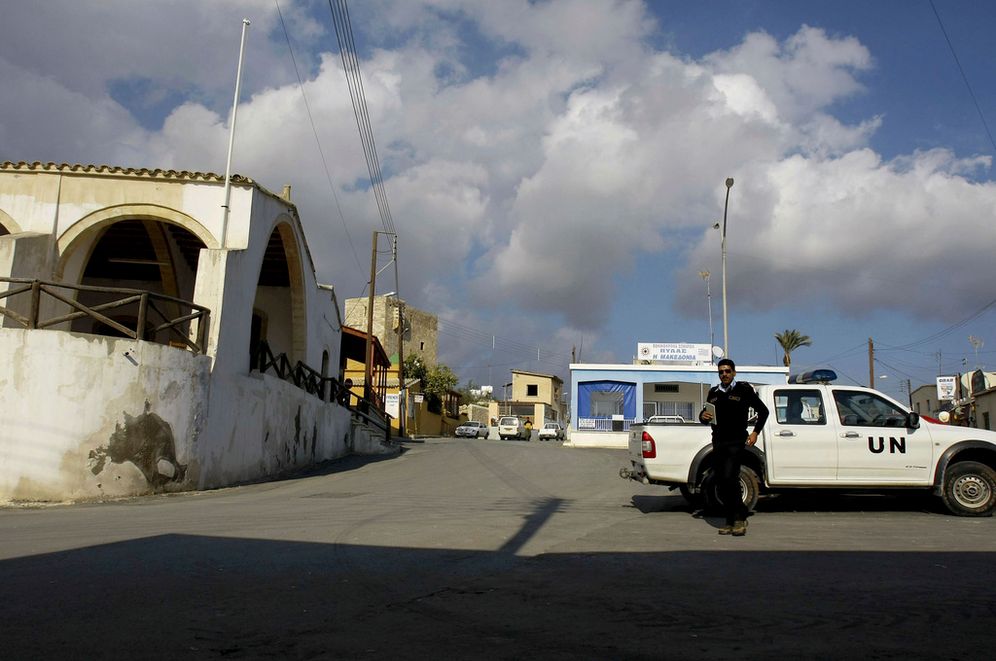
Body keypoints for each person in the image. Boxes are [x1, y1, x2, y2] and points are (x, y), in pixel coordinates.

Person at [699, 358, 769, 536]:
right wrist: (703, 416)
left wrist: (755, 433)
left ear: (734, 372)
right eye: (721, 372)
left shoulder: (744, 390)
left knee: (731, 478)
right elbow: (705, 416)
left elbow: (764, 411)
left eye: (727, 371)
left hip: (736, 442)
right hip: (719, 442)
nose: (724, 374)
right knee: (722, 482)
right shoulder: (713, 393)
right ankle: (730, 521)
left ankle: (740, 519)